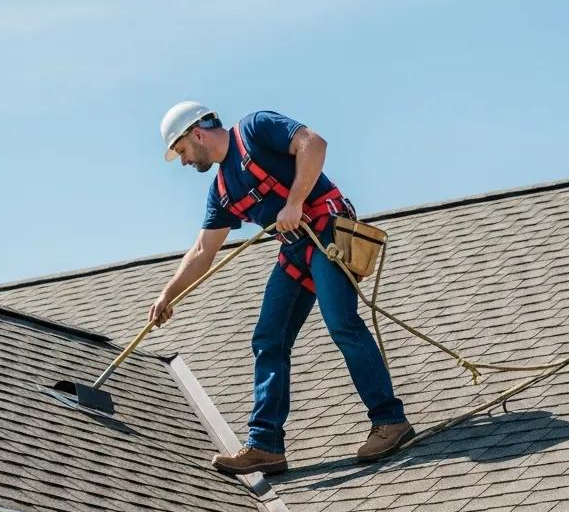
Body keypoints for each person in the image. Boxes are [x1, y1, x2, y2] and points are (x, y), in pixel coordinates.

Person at [150, 102, 413, 475]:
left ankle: (391, 421)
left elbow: (314, 143)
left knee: (341, 322)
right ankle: (265, 445)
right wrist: (167, 294)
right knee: (268, 339)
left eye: (181, 151)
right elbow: (202, 250)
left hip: (326, 231)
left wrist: (293, 203)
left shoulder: (256, 129)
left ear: (197, 134)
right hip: (296, 250)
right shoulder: (223, 190)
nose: (184, 161)